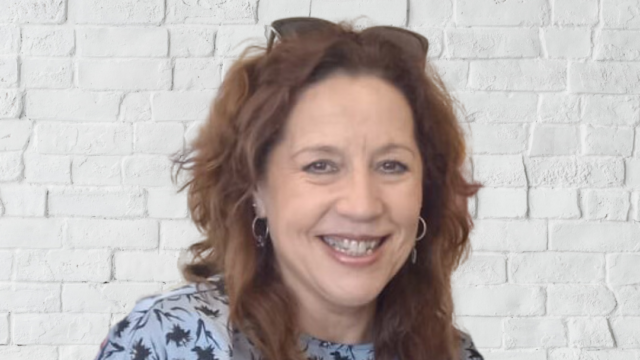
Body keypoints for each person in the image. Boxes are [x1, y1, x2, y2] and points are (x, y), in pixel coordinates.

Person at [94, 17, 483, 360]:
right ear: (255, 188)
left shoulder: (454, 354)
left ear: (425, 192)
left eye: (392, 165)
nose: (362, 205)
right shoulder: (168, 342)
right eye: (320, 165)